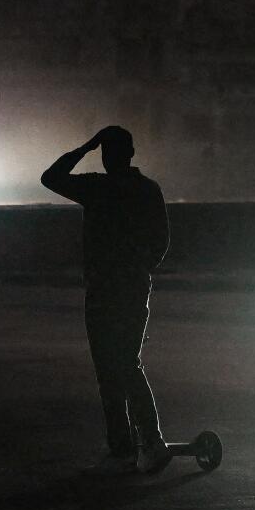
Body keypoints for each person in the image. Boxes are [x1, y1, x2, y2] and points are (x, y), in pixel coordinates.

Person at [42, 126, 172, 474]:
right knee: (128, 363)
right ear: (132, 153)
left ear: (105, 154)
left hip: (102, 290)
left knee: (109, 369)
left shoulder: (97, 188)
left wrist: (84, 145)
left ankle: (125, 446)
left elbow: (50, 177)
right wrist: (138, 266)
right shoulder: (148, 190)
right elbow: (161, 243)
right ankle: (150, 440)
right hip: (133, 287)